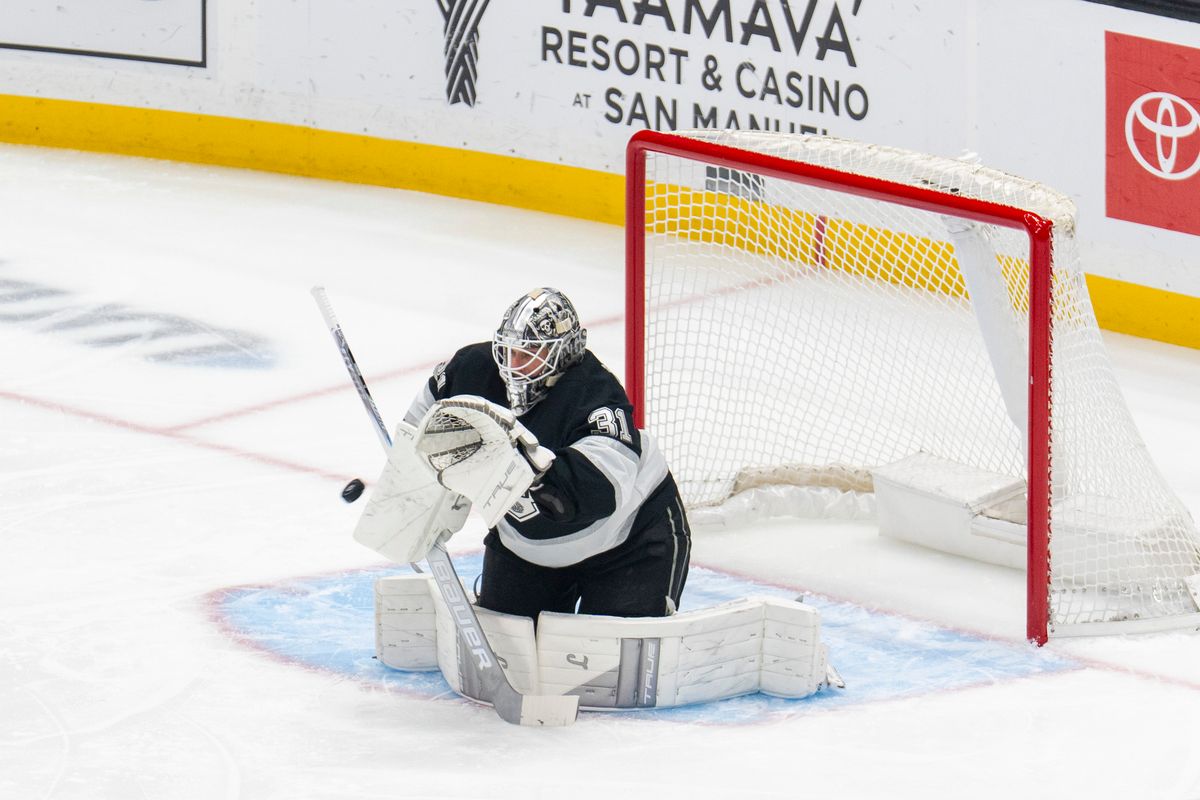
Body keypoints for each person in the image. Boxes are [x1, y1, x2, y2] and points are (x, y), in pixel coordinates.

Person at [404, 287, 690, 621]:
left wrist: (531, 473)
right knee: (510, 649)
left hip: (630, 541)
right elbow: (417, 433)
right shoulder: (470, 372)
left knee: (610, 661)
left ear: (564, 353)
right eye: (508, 352)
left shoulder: (595, 394)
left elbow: (597, 493)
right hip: (526, 545)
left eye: (528, 355)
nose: (513, 366)